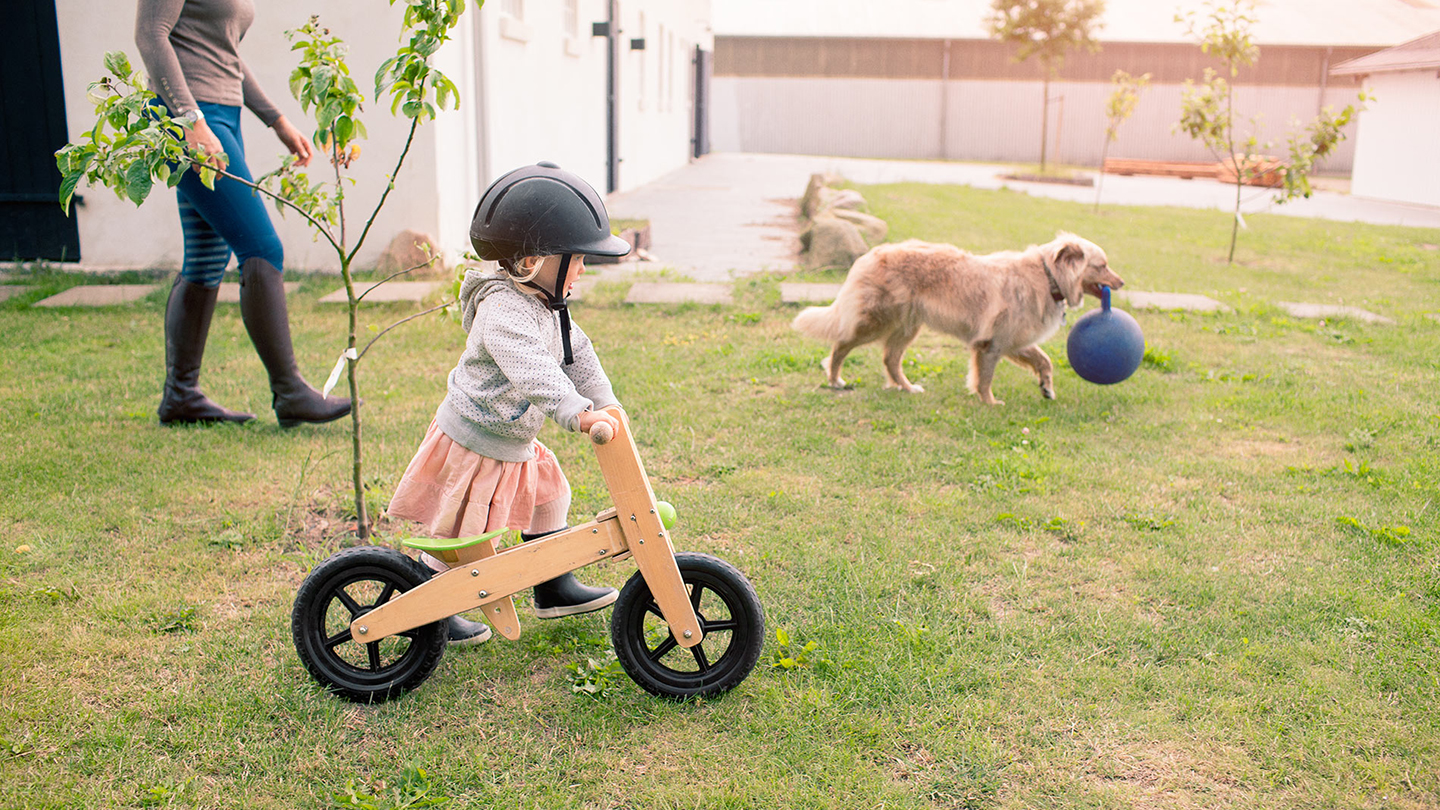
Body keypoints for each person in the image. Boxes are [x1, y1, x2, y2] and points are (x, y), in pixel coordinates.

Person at [386, 162, 632, 645]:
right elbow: (534, 371)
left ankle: (552, 583)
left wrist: (607, 403)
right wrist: (578, 412)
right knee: (462, 533)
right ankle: (434, 601)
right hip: (478, 440)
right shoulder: (502, 311)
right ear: (534, 261)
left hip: (514, 436)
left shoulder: (546, 305)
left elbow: (576, 354)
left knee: (550, 495)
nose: (582, 269)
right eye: (576, 258)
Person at [135, 0, 351, 427]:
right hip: (190, 116)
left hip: (219, 113)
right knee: (260, 246)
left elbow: (224, 52)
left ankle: (181, 396)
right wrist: (189, 118)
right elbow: (150, 35)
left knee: (206, 255)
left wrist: (276, 119)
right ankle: (289, 391)